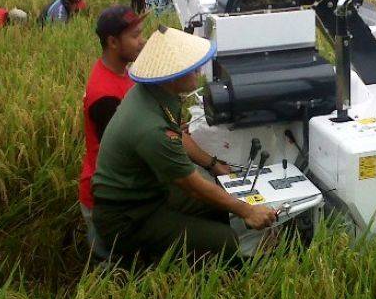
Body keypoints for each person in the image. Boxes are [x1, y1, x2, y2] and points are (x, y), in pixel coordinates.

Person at [92, 26, 277, 262]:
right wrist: (248, 210)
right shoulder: (151, 128)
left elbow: (178, 135)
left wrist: (214, 165)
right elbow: (192, 185)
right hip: (127, 217)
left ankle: (210, 260)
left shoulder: (155, 95)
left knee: (218, 206)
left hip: (149, 193)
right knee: (225, 240)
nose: (199, 71)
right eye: (192, 67)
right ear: (173, 75)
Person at [79, 5, 146, 258]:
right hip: (106, 201)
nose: (143, 41)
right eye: (135, 36)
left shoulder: (121, 72)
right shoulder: (104, 94)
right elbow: (127, 151)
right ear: (113, 42)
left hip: (123, 192)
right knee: (113, 270)